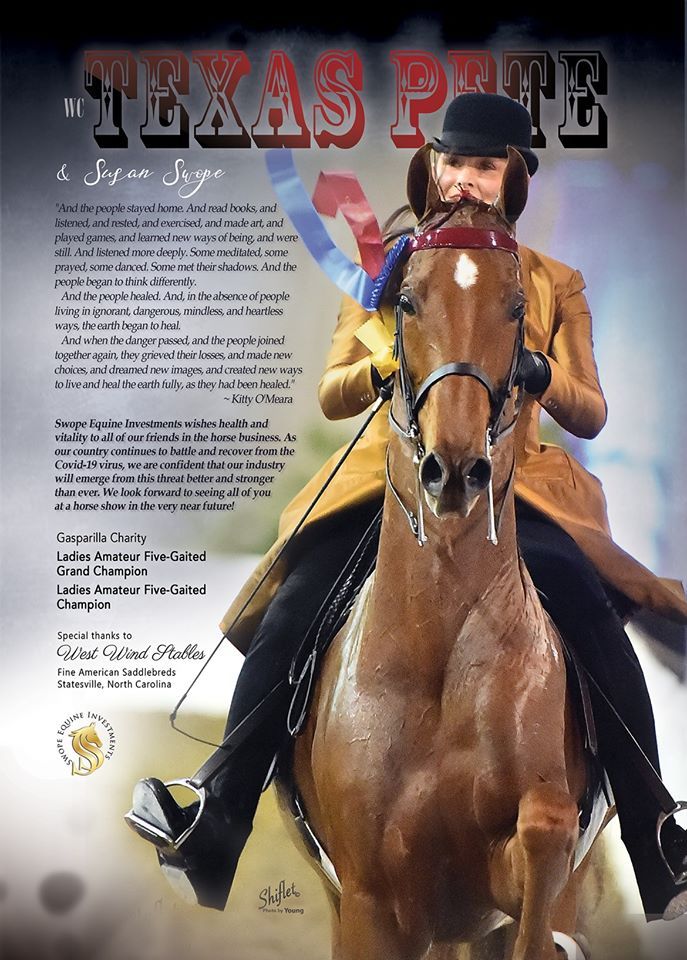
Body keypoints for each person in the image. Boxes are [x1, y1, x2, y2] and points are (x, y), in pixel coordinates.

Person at [126, 93, 687, 922]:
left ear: (513, 177)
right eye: (453, 163)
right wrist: (387, 360)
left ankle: (654, 829)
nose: (465, 179)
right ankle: (218, 809)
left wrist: (537, 372)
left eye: (485, 164)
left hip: (513, 485)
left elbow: (590, 412)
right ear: (433, 169)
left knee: (586, 610)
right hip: (394, 477)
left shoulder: (552, 281)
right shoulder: (385, 268)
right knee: (295, 606)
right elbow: (329, 393)